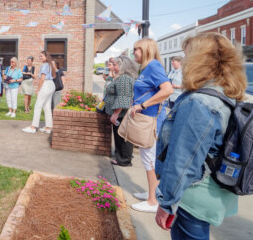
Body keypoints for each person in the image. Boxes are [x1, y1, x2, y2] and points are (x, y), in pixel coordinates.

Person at [155, 33, 245, 239]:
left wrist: (166, 203)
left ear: (198, 60)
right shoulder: (225, 93)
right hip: (215, 188)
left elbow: (183, 161)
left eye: (187, 56)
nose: (184, 61)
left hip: (192, 194)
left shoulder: (199, 102)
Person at [129, 38, 173, 213]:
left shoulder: (154, 66)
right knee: (148, 158)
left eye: (136, 50)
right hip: (145, 120)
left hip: (151, 121)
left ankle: (153, 201)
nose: (133, 53)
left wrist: (142, 105)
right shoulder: (146, 68)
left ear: (146, 49)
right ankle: (152, 192)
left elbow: (167, 90)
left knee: (150, 160)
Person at [104, 55, 138, 167]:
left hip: (121, 114)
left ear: (122, 66)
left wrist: (115, 114)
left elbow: (123, 98)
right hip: (120, 113)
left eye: (115, 64)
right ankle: (122, 156)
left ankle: (124, 160)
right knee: (120, 136)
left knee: (122, 137)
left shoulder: (124, 79)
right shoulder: (123, 77)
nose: (113, 67)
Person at [22, 51, 56, 134]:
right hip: (51, 84)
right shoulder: (50, 65)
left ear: (46, 56)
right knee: (47, 107)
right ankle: (48, 127)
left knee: (38, 106)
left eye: (41, 56)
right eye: (39, 56)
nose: (40, 58)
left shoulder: (44, 65)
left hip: (46, 85)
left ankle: (33, 127)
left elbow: (42, 79)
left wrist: (38, 89)